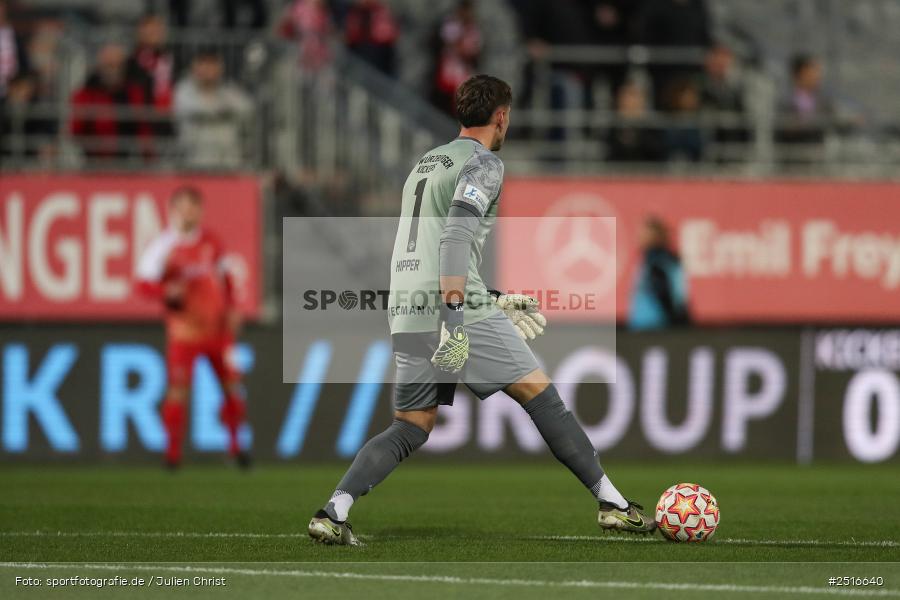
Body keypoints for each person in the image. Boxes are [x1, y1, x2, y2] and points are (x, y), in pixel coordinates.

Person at [307, 74, 656, 546]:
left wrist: (488, 294)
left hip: (409, 307)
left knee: (411, 424)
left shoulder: (426, 163)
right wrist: (457, 316)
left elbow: (428, 247)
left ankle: (334, 510)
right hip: (453, 311)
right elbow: (453, 238)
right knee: (540, 394)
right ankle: (612, 505)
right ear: (501, 116)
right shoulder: (485, 164)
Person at [135, 186, 250, 470]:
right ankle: (172, 455)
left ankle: (236, 449)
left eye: (194, 207)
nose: (189, 213)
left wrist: (233, 308)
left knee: (233, 389)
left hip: (217, 331)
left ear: (200, 211)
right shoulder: (163, 247)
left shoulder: (211, 242)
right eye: (184, 207)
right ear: (172, 210)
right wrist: (164, 292)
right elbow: (142, 284)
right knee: (178, 391)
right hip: (184, 333)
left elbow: (226, 278)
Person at [70, 43, 152, 159]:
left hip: (127, 161)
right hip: (94, 161)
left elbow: (144, 130)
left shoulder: (134, 93)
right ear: (100, 66)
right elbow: (75, 130)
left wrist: (148, 158)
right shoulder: (86, 94)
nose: (113, 70)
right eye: (109, 65)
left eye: (117, 65)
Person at [173, 49, 252, 169]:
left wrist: (216, 110)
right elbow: (190, 108)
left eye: (212, 65)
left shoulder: (228, 89)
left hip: (228, 162)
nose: (208, 70)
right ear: (195, 68)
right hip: (195, 160)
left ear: (220, 69)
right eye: (203, 65)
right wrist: (223, 112)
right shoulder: (184, 90)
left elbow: (246, 108)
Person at [627, 216, 690, 330]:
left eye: (644, 234)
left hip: (656, 327)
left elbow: (670, 297)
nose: (639, 237)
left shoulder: (659, 262)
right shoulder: (647, 260)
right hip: (643, 326)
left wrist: (676, 322)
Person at [126, 14, 174, 137]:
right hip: (144, 119)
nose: (153, 34)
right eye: (149, 30)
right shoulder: (132, 61)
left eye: (157, 30)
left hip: (169, 118)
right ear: (140, 33)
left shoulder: (171, 57)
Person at [343, 0, 399, 76]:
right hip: (361, 49)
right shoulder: (356, 12)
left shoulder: (381, 11)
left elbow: (390, 34)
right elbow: (351, 35)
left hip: (380, 50)